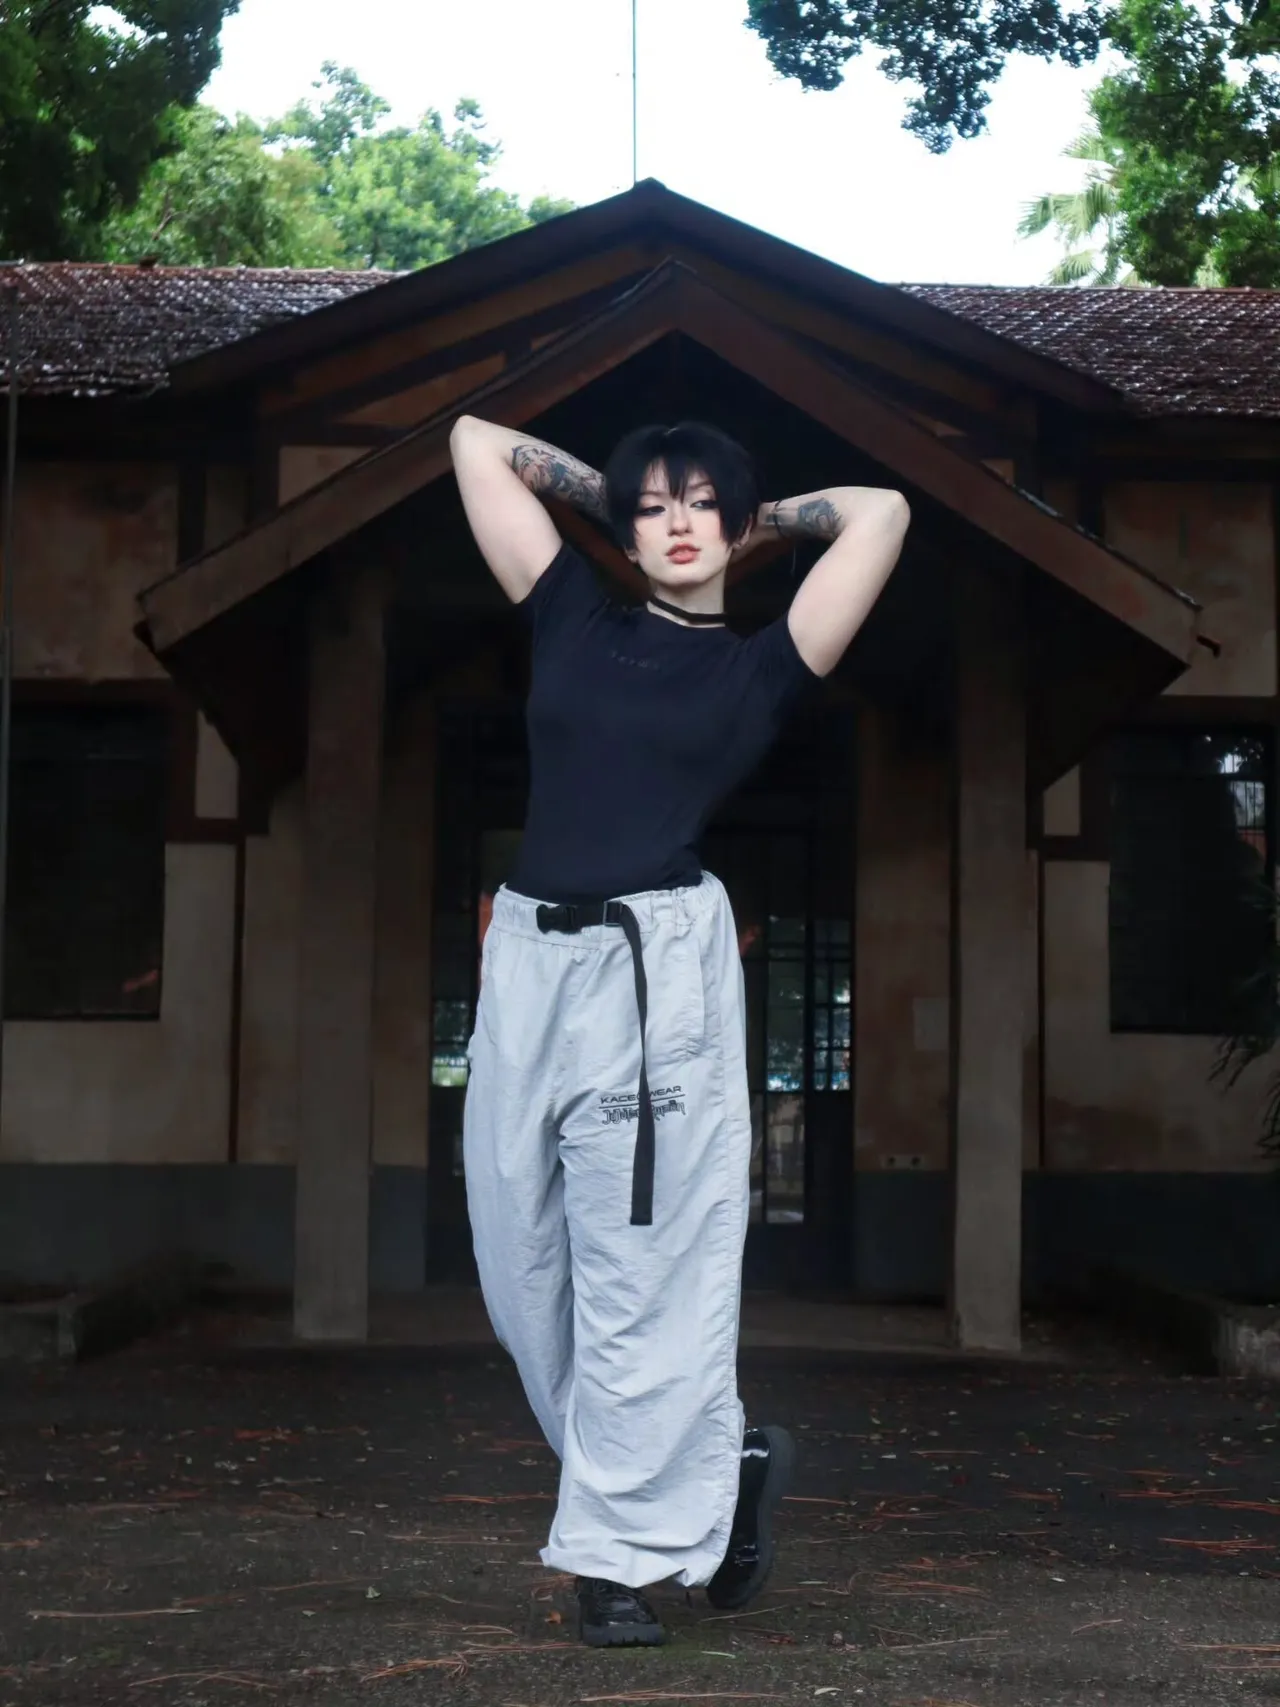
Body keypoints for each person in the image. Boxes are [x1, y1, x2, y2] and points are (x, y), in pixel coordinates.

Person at [448, 413, 909, 1648]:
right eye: (653, 507)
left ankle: (612, 1564)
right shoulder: (569, 610)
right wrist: (616, 503)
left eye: (700, 503)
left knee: (636, 1275)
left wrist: (756, 521)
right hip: (527, 965)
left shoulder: (760, 666)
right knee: (518, 1266)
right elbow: (473, 442)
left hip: (648, 972)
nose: (678, 523)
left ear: (733, 521)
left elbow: (881, 514)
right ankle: (724, 1467)